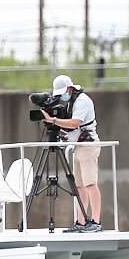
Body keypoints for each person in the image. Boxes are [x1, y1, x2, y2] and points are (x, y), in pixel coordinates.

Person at [39, 74, 103, 233]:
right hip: (77, 145)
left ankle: (95, 222)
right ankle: (81, 222)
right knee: (80, 187)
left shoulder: (82, 101)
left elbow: (75, 123)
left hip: (87, 145)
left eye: (62, 94)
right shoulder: (72, 102)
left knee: (90, 184)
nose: (61, 97)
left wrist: (52, 121)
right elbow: (72, 129)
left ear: (69, 88)